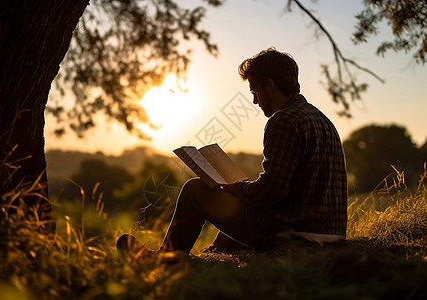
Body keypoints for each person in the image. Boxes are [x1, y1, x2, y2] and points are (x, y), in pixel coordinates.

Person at [118, 47, 348, 255]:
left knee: (194, 189)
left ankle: (165, 260)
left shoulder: (283, 121)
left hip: (296, 234)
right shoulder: (322, 119)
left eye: (254, 92)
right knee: (230, 222)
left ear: (269, 85)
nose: (255, 102)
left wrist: (235, 189)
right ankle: (213, 254)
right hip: (331, 232)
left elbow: (273, 191)